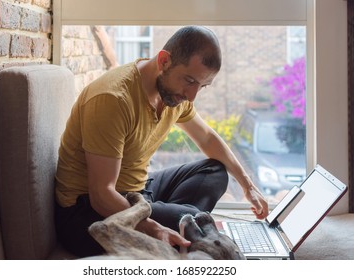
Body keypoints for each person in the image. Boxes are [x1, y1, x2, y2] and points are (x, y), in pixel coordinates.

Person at [54, 26, 268, 257]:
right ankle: (181, 224)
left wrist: (248, 186)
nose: (192, 95)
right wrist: (154, 227)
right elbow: (101, 195)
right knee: (189, 220)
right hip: (86, 214)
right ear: (164, 60)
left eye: (201, 86)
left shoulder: (174, 94)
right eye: (189, 80)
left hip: (137, 192)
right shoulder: (113, 99)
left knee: (214, 172)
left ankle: (180, 224)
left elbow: (206, 137)